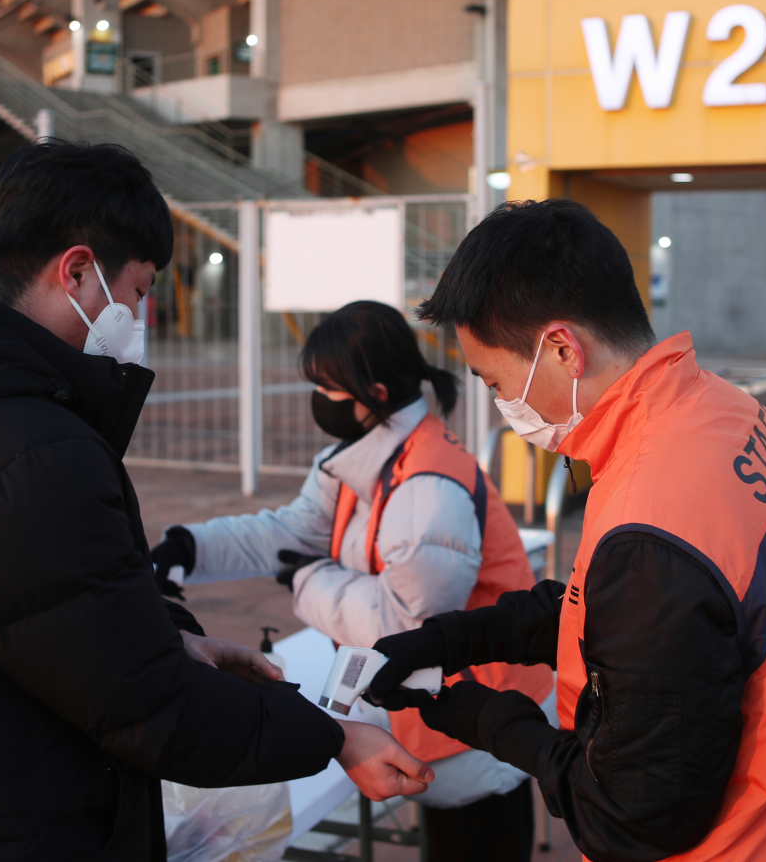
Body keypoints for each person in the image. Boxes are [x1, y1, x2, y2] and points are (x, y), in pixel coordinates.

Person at [0, 140, 432, 862]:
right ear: (79, 272)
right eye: (140, 290)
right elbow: (146, 705)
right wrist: (335, 737)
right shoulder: (29, 451)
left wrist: (168, 636)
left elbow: (19, 625)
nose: (139, 314)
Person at [366, 199, 766, 862]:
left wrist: (484, 719)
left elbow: (628, 819)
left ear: (563, 349)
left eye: (497, 380)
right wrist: (453, 639)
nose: (505, 407)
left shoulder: (651, 513)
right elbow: (630, 621)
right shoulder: (723, 413)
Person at [151, 301, 553, 861]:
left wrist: (309, 581)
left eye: (327, 389)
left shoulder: (428, 491)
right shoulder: (365, 455)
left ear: (376, 395)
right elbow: (290, 532)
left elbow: (405, 627)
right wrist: (189, 548)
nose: (318, 402)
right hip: (445, 718)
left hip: (480, 727)